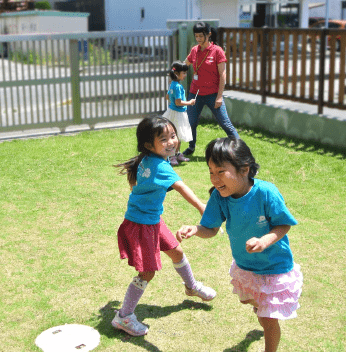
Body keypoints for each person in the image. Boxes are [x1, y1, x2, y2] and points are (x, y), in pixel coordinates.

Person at [176, 138, 303, 352]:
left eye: (221, 172)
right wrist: (196, 230)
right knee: (257, 307)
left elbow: (284, 225)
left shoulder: (266, 193)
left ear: (244, 170)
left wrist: (264, 241)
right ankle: (261, 309)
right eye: (211, 172)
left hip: (274, 268)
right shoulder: (220, 197)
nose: (214, 179)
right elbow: (212, 228)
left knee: (268, 319)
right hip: (246, 266)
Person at [112, 116, 216, 337]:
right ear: (150, 145)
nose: (172, 142)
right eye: (164, 139)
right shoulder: (160, 165)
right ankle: (124, 317)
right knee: (146, 272)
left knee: (176, 252)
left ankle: (191, 287)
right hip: (143, 225)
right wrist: (200, 206)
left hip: (151, 221)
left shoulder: (147, 159)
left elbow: (135, 184)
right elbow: (180, 186)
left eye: (173, 136)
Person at [183, 22, 240, 157]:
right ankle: (191, 147)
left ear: (208, 34)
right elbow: (184, 64)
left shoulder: (217, 51)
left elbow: (223, 74)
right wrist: (174, 70)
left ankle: (240, 150)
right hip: (195, 94)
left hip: (213, 95)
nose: (198, 39)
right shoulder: (194, 50)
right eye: (196, 36)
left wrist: (219, 96)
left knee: (225, 123)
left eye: (201, 36)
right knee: (191, 123)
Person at [162, 60, 195, 166]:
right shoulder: (178, 86)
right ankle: (172, 156)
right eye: (184, 73)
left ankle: (176, 154)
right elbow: (178, 102)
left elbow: (167, 97)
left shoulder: (172, 84)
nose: (185, 75)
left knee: (175, 135)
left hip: (172, 112)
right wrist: (190, 102)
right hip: (178, 114)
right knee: (175, 136)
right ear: (176, 74)